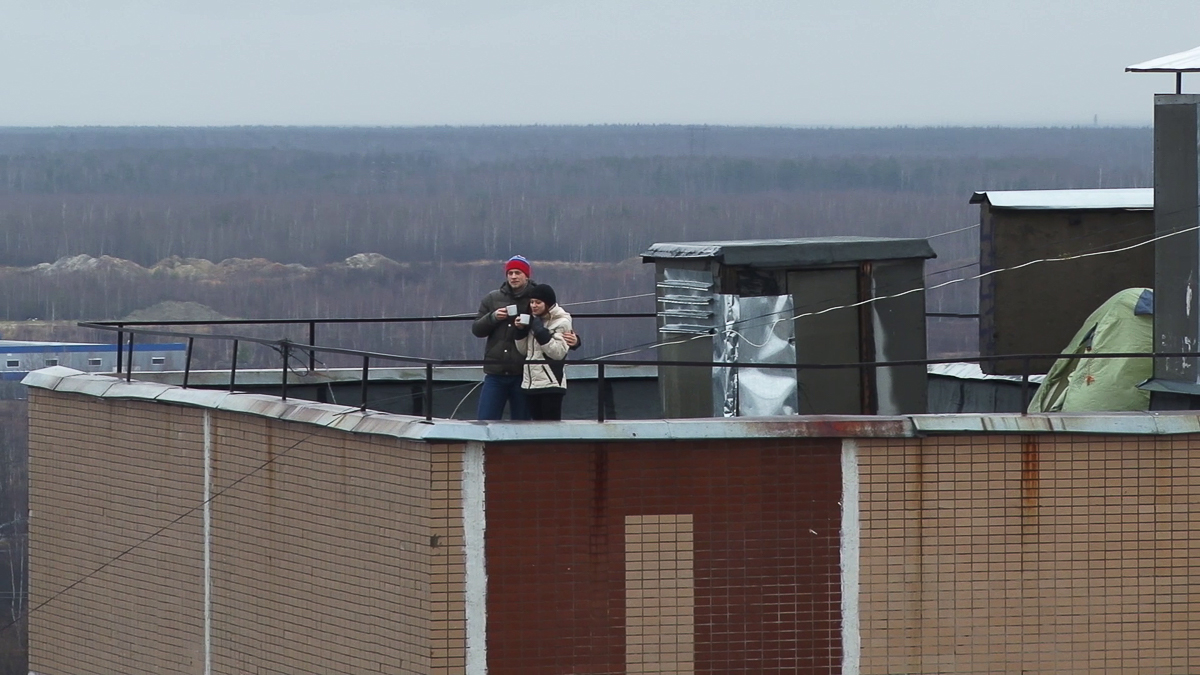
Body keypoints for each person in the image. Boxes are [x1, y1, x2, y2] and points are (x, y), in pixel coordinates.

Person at [471, 255, 580, 420]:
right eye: (510, 273)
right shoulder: (492, 299)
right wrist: (493, 317)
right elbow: (477, 330)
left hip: (523, 373)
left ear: (527, 275)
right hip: (496, 370)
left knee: (522, 424)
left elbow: (555, 320)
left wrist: (575, 341)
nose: (513, 277)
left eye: (518, 273)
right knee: (485, 420)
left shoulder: (537, 297)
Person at [514, 284, 572, 420]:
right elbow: (523, 351)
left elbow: (558, 353)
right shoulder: (533, 320)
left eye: (538, 302)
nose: (534, 306)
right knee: (535, 427)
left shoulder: (562, 322)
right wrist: (520, 331)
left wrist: (539, 331)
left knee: (550, 427)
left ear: (548, 303)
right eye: (532, 302)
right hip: (530, 384)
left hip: (551, 384)